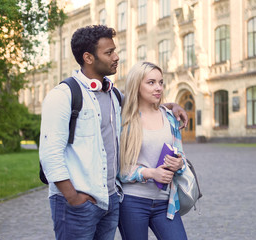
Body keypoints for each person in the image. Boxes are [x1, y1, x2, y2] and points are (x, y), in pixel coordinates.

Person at [39, 25, 187, 240]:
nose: (116, 57)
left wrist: (172, 105)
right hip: (78, 202)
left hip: (110, 200)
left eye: (115, 50)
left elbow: (144, 103)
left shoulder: (115, 95)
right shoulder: (63, 95)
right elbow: (49, 154)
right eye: (109, 53)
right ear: (88, 58)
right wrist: (73, 197)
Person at [118, 62, 188, 240]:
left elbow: (180, 155)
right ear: (136, 85)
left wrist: (179, 163)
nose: (158, 88)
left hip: (166, 202)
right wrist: (150, 173)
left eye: (161, 82)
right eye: (151, 82)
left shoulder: (170, 117)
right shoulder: (125, 120)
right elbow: (119, 169)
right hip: (132, 202)